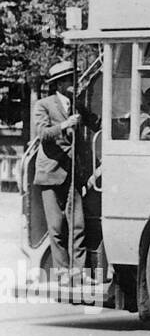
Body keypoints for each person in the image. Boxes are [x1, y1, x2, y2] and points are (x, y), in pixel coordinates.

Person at [32, 60, 99, 283]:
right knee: (56, 226)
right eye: (70, 80)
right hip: (51, 173)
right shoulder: (44, 105)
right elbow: (42, 133)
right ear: (59, 84)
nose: (74, 84)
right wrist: (64, 125)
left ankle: (78, 272)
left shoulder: (77, 105)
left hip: (72, 175)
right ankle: (61, 272)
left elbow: (95, 123)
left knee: (77, 224)